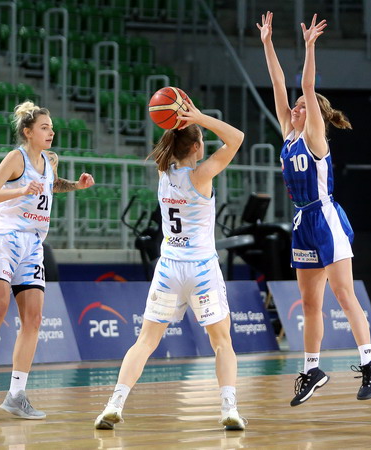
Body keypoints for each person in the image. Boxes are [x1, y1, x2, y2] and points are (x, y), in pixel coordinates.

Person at [257, 12, 371, 406]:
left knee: (344, 294)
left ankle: (370, 363)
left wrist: (310, 47)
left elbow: (306, 86)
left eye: (302, 106)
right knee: (310, 302)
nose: (295, 108)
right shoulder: (288, 134)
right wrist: (267, 43)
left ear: (313, 114)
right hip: (302, 221)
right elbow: (277, 83)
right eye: (295, 107)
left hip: (326, 217)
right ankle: (312, 369)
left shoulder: (314, 137)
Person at [94, 99, 246, 430]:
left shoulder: (163, 172)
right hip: (201, 269)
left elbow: (172, 142)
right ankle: (229, 409)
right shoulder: (202, 175)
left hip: (169, 270)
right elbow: (236, 138)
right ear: (197, 147)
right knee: (222, 342)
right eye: (200, 139)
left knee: (145, 342)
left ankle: (114, 403)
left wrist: (178, 122)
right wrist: (201, 117)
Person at [0, 101, 94, 418]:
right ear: (28, 131)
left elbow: (51, 185)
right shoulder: (15, 158)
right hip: (3, 239)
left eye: (52, 127)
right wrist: (19, 191)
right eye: (45, 127)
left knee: (33, 318)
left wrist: (76, 185)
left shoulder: (49, 160)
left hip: (33, 243)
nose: (51, 132)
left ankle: (16, 395)